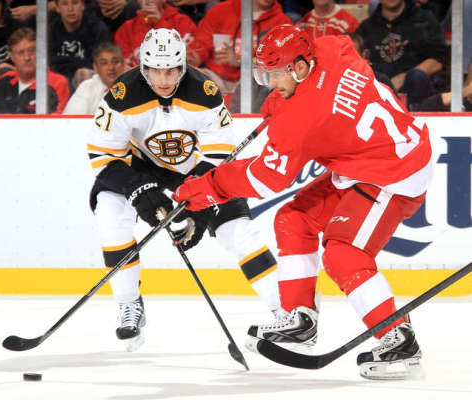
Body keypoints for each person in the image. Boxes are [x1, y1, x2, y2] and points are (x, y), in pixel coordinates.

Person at [173, 24, 432, 380]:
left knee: (344, 255)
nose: (269, 81)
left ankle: (397, 337)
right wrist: (283, 101)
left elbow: (267, 177)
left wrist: (204, 188)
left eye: (274, 74)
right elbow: (344, 46)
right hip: (373, 157)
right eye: (264, 73)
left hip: (395, 171)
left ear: (298, 67)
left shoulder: (301, 120)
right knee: (293, 219)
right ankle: (300, 319)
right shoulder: (329, 50)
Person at [87, 28, 284, 352]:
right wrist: (139, 189)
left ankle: (285, 311)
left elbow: (218, 155)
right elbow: (104, 156)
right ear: (143, 67)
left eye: (171, 70)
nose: (163, 79)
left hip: (195, 172)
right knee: (111, 212)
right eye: (155, 70)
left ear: (182, 66)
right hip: (140, 169)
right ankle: (128, 304)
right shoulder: (120, 96)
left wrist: (202, 204)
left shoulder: (205, 91)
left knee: (238, 230)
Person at [187, 0, 292, 94]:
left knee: (268, 80)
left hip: (253, 83)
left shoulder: (283, 23)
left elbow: (278, 65)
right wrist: (192, 58)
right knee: (188, 75)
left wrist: (240, 60)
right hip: (216, 77)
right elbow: (201, 44)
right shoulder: (221, 11)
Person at [356, 0, 445, 110]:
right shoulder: (365, 28)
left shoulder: (425, 20)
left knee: (416, 77)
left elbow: (438, 61)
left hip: (418, 96)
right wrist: (385, 84)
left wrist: (403, 78)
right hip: (378, 95)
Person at [0, 27, 70, 113]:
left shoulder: (58, 83)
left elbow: (57, 124)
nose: (27, 57)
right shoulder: (3, 80)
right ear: (12, 56)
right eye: (20, 53)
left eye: (31, 50)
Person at [114, 0, 196, 68]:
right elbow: (123, 63)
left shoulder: (182, 22)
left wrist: (160, 24)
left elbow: (190, 60)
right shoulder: (126, 29)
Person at [49, 0, 111, 89]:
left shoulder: (97, 28)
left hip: (90, 78)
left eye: (75, 3)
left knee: (83, 74)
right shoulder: (51, 30)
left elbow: (101, 62)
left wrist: (66, 62)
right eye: (65, 4)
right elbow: (50, 62)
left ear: (83, 5)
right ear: (57, 8)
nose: (70, 9)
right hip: (60, 79)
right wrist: (76, 62)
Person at [63, 42, 126, 114]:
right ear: (95, 68)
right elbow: (72, 120)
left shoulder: (135, 87)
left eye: (115, 62)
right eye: (104, 63)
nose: (111, 68)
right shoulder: (87, 87)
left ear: (123, 64)